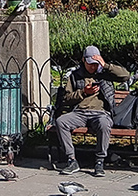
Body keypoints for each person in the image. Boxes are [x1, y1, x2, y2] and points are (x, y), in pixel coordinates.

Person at [54, 45, 131, 177]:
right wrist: (84, 92)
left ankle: (99, 161)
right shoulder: (75, 76)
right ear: (84, 60)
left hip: (101, 112)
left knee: (104, 124)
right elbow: (66, 98)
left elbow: (126, 76)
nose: (93, 67)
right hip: (80, 112)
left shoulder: (105, 74)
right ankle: (71, 160)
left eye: (95, 64)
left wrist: (105, 65)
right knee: (61, 122)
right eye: (90, 64)